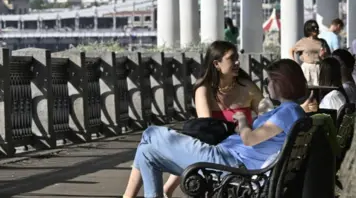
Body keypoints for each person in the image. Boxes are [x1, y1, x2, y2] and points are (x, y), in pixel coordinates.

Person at [122, 61, 303, 198]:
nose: (267, 85)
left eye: (270, 80)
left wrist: (242, 120)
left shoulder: (288, 112)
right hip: (227, 159)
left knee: (151, 133)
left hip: (229, 163)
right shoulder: (290, 111)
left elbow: (250, 140)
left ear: (281, 83)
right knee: (147, 152)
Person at [162, 40, 263, 197]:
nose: (237, 62)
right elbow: (207, 129)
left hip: (243, 148)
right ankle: (166, 189)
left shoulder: (247, 87)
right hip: (216, 148)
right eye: (232, 58)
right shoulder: (204, 89)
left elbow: (267, 114)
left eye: (237, 57)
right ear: (216, 64)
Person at [289, 19, 328, 85]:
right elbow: (291, 50)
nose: (316, 29)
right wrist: (294, 62)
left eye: (317, 27)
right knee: (306, 88)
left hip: (319, 67)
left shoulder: (322, 42)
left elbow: (327, 55)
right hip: (306, 68)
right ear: (308, 29)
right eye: (313, 28)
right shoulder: (303, 41)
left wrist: (323, 55)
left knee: (319, 89)